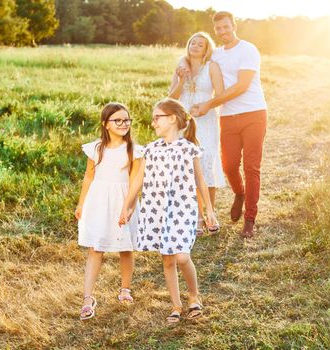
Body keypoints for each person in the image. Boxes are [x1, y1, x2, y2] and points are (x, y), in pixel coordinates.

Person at [119, 98, 218, 323]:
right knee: (167, 260)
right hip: (156, 209)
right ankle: (176, 304)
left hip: (182, 209)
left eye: (157, 118)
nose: (153, 123)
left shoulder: (188, 148)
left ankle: (194, 295)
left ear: (172, 119)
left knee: (182, 256)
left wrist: (209, 211)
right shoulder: (151, 149)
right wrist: (127, 206)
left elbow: (200, 181)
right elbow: (138, 181)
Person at [190, 11, 268, 238]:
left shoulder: (248, 50)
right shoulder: (216, 55)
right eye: (218, 29)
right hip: (228, 117)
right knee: (229, 165)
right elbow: (199, 66)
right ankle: (239, 193)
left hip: (254, 113)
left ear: (234, 25)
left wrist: (210, 103)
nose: (222, 32)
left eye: (226, 27)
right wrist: (183, 69)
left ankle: (250, 219)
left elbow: (242, 86)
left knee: (251, 167)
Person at [75, 102, 143, 320]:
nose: (124, 124)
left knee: (125, 247)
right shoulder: (96, 148)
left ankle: (125, 289)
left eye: (126, 120)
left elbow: (135, 183)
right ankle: (87, 297)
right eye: (118, 120)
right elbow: (89, 176)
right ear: (106, 124)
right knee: (96, 248)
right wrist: (81, 203)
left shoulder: (134, 149)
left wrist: (128, 207)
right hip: (99, 202)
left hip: (123, 201)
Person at [168, 31, 226, 236]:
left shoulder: (212, 67)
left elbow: (220, 96)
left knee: (206, 162)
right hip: (184, 121)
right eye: (192, 42)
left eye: (200, 44)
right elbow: (170, 98)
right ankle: (195, 217)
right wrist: (181, 80)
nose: (195, 45)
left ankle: (210, 214)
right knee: (187, 166)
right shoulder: (181, 66)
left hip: (206, 119)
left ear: (206, 49)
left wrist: (205, 106)